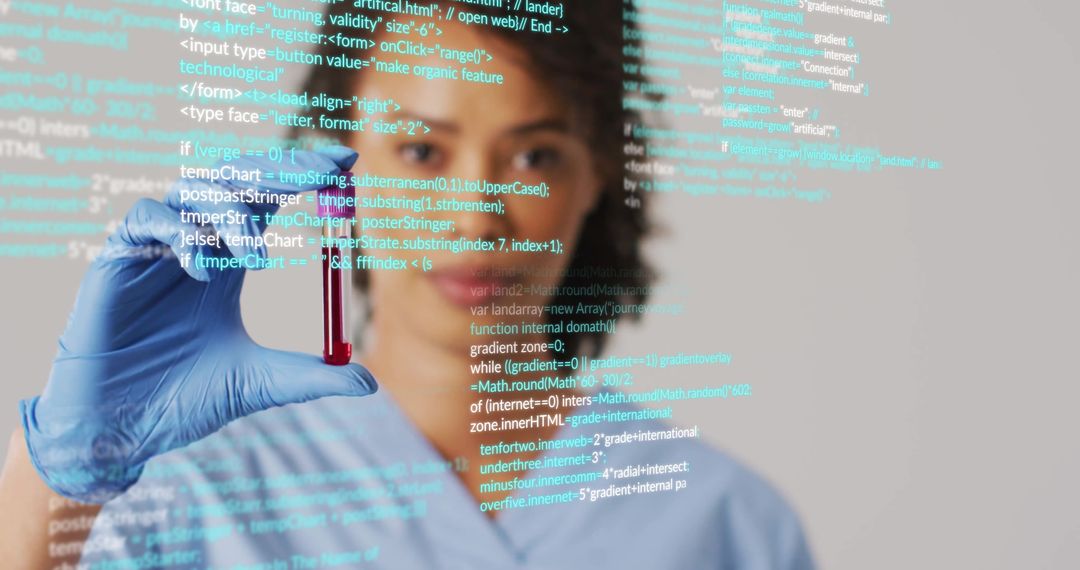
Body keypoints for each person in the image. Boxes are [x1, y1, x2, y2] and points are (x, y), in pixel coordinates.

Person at [0, 2, 815, 568]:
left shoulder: (724, 524)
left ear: (599, 171)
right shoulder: (186, 499)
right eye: (423, 152)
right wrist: (57, 478)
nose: (474, 218)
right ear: (343, 162)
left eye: (533, 157)